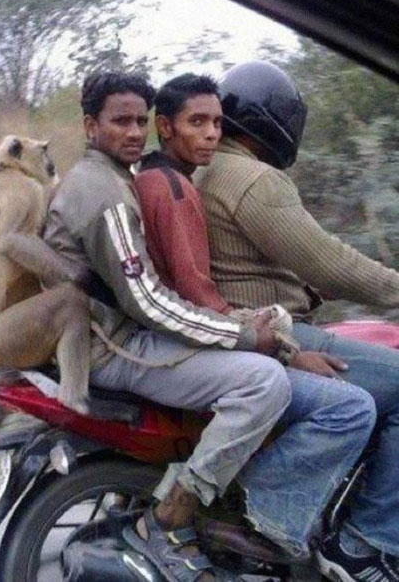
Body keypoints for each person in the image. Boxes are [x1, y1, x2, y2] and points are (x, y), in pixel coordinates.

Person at [43, 71, 375, 582]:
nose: (133, 132)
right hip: (115, 346)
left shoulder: (130, 179)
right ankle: (174, 516)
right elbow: (152, 301)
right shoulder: (122, 192)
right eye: (120, 122)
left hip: (118, 334)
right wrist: (258, 341)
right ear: (91, 126)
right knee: (266, 383)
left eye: (138, 121)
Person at [197, 60, 399, 581]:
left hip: (234, 330)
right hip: (272, 332)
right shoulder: (252, 179)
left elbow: (274, 263)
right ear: (271, 120)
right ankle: (365, 543)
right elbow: (330, 261)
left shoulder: (205, 170)